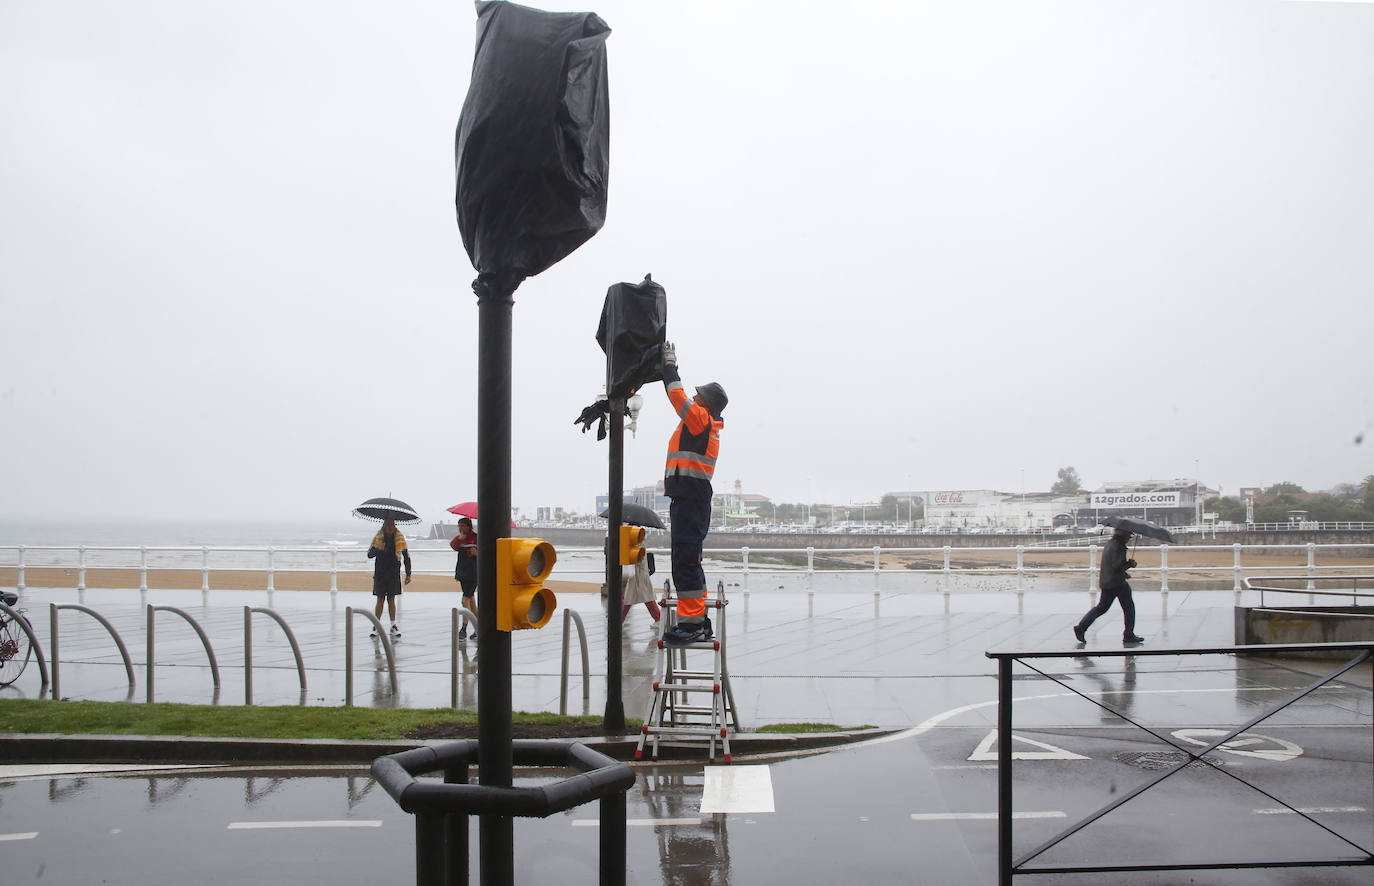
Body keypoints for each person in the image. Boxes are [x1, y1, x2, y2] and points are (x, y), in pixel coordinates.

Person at [657, 341, 727, 647]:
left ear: (706, 403)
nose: (693, 397)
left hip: (691, 499)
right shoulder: (702, 424)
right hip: (688, 499)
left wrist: (669, 366)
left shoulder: (700, 419)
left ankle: (693, 623)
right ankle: (695, 621)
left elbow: (676, 395)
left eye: (699, 395)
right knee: (686, 558)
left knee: (686, 560)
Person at [1074, 526, 1144, 645]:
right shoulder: (1119, 546)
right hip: (1117, 583)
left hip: (1107, 581)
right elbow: (1117, 565)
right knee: (1129, 608)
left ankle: (1082, 626)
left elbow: (1110, 565)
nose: (1130, 537)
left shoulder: (1110, 544)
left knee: (1101, 607)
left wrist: (1124, 572)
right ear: (1124, 534)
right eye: (1129, 535)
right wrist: (1129, 564)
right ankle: (1128, 634)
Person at [368, 516, 412, 639]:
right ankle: (376, 626)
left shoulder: (399, 538)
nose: (390, 528)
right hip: (380, 573)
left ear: (395, 526)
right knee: (380, 599)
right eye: (387, 525)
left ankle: (393, 625)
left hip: (393, 573)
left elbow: (406, 556)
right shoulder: (378, 538)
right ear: (384, 526)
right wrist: (378, 549)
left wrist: (408, 574)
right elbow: (369, 554)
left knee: (391, 599)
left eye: (392, 525)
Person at [449, 517, 478, 640]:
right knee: (471, 600)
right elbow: (453, 546)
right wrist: (458, 539)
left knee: (465, 599)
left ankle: (464, 628)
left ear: (468, 526)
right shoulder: (460, 539)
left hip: (474, 573)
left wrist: (477, 553)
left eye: (462, 526)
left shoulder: (476, 537)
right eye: (459, 525)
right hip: (462, 572)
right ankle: (479, 627)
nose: (460, 528)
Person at [622, 550, 663, 624]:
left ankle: (619, 619)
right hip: (639, 569)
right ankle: (658, 618)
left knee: (628, 597)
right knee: (644, 596)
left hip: (636, 569)